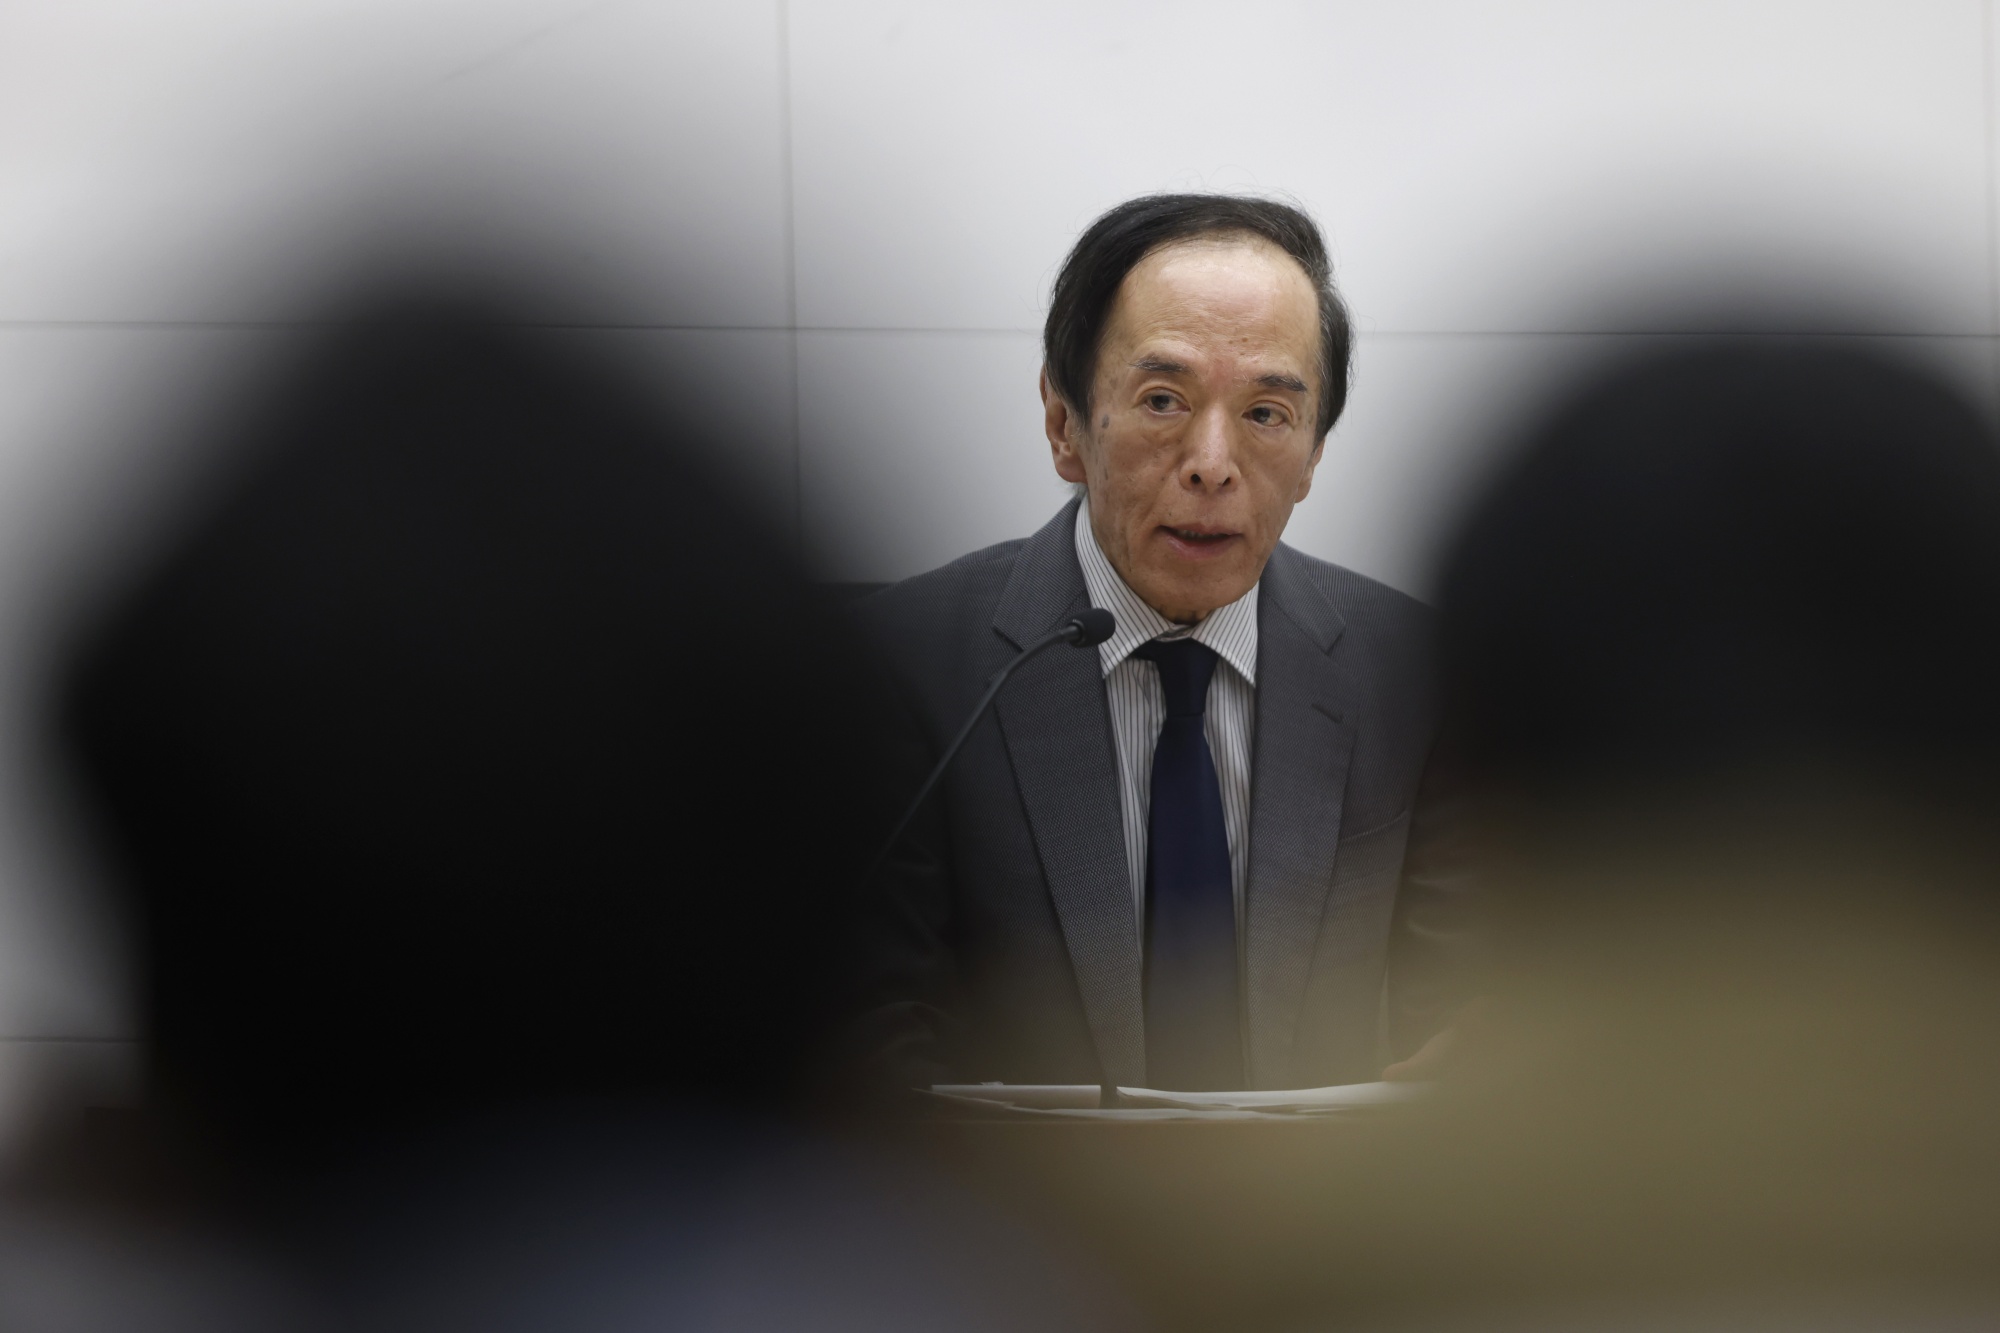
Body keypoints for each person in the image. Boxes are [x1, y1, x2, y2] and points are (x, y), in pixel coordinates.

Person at [846, 194, 1466, 1093]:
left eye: (1267, 413)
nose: (1212, 463)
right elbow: (870, 1038)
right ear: (1064, 424)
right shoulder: (902, 667)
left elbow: (1461, 1010)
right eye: (1163, 400)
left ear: (1314, 453)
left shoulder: (1416, 672)